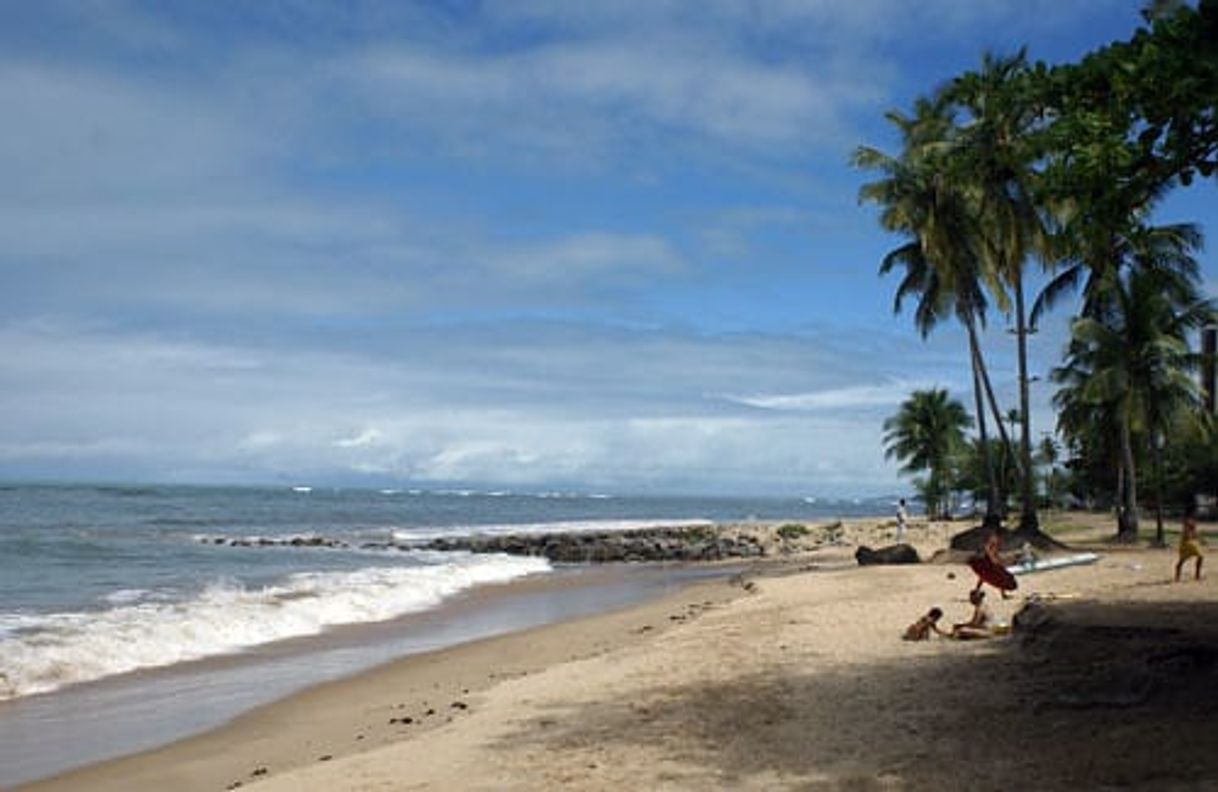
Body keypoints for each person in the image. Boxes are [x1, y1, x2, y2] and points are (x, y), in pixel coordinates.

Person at [1175, 513, 1204, 582]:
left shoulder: (1192, 524)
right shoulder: (1187, 523)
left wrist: (1199, 539)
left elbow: (1195, 534)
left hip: (1191, 544)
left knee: (1200, 557)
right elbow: (1187, 534)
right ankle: (1177, 577)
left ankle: (1197, 575)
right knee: (1182, 561)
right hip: (1186, 544)